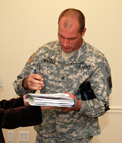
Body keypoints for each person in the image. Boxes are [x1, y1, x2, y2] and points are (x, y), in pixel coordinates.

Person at [13, 8, 112, 143]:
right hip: (45, 135)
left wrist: (78, 105)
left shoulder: (96, 61)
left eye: (71, 38)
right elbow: (19, 88)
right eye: (61, 36)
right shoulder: (43, 53)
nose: (65, 43)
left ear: (83, 32)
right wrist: (26, 83)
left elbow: (103, 105)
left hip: (78, 137)